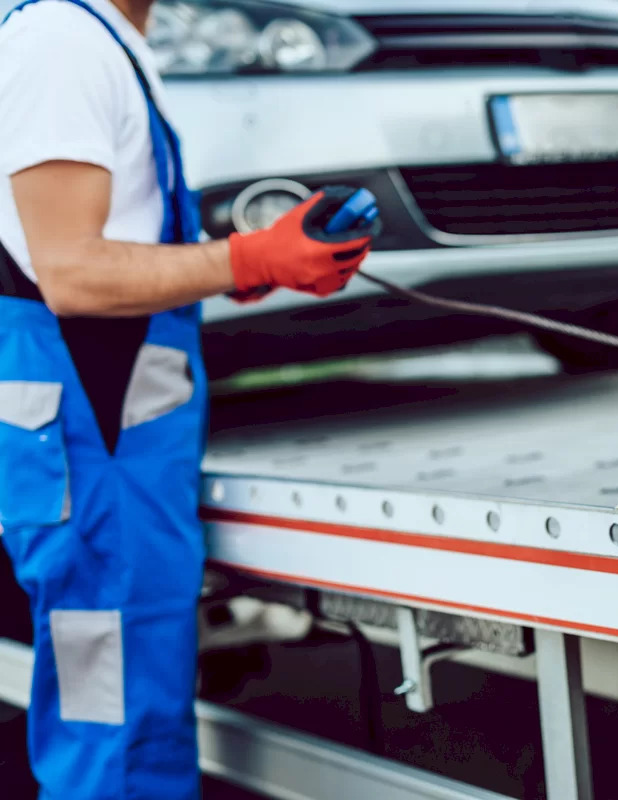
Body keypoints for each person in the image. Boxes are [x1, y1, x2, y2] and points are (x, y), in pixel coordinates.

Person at [0, 0, 380, 796]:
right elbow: (71, 272)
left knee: (136, 700)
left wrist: (249, 266)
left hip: (120, 442)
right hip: (91, 440)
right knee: (110, 720)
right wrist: (250, 259)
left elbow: (110, 252)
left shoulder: (107, 37)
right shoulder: (61, 43)